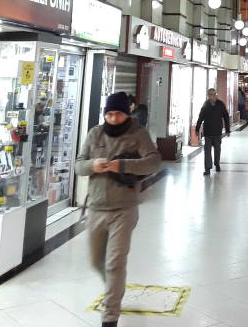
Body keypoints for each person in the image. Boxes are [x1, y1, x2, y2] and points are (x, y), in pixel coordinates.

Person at [75, 92, 160, 327]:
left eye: (119, 114)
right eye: (109, 114)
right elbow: (78, 166)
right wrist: (93, 165)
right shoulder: (95, 133)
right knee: (95, 262)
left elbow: (153, 161)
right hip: (96, 207)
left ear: (127, 114)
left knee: (115, 262)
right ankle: (116, 287)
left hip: (124, 208)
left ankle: (110, 317)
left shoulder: (138, 134)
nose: (113, 118)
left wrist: (121, 165)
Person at [195, 88, 231, 175]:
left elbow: (226, 117)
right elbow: (200, 117)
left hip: (217, 132)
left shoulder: (220, 104)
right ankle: (207, 168)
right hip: (207, 132)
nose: (211, 96)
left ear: (216, 95)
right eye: (209, 95)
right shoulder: (205, 105)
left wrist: (227, 130)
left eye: (212, 94)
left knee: (217, 149)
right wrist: (197, 129)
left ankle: (217, 163)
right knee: (207, 151)